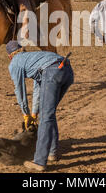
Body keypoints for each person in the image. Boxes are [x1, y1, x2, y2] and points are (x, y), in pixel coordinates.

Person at [6, 40, 74, 171]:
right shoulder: (34, 58)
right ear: (22, 49)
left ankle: (39, 161)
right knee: (48, 113)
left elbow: (20, 90)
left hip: (53, 71)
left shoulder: (14, 63)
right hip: (67, 70)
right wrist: (34, 113)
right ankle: (52, 152)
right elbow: (38, 87)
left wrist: (25, 114)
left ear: (10, 56)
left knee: (46, 117)